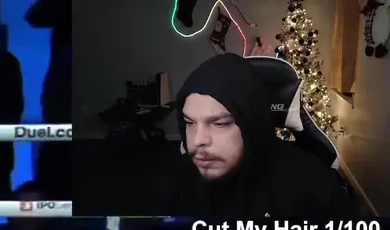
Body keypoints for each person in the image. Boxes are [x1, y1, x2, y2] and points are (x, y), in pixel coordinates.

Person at [152, 52, 358, 218]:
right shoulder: (175, 184)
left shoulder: (316, 186)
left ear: (251, 123)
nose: (197, 141)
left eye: (219, 123)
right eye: (190, 123)